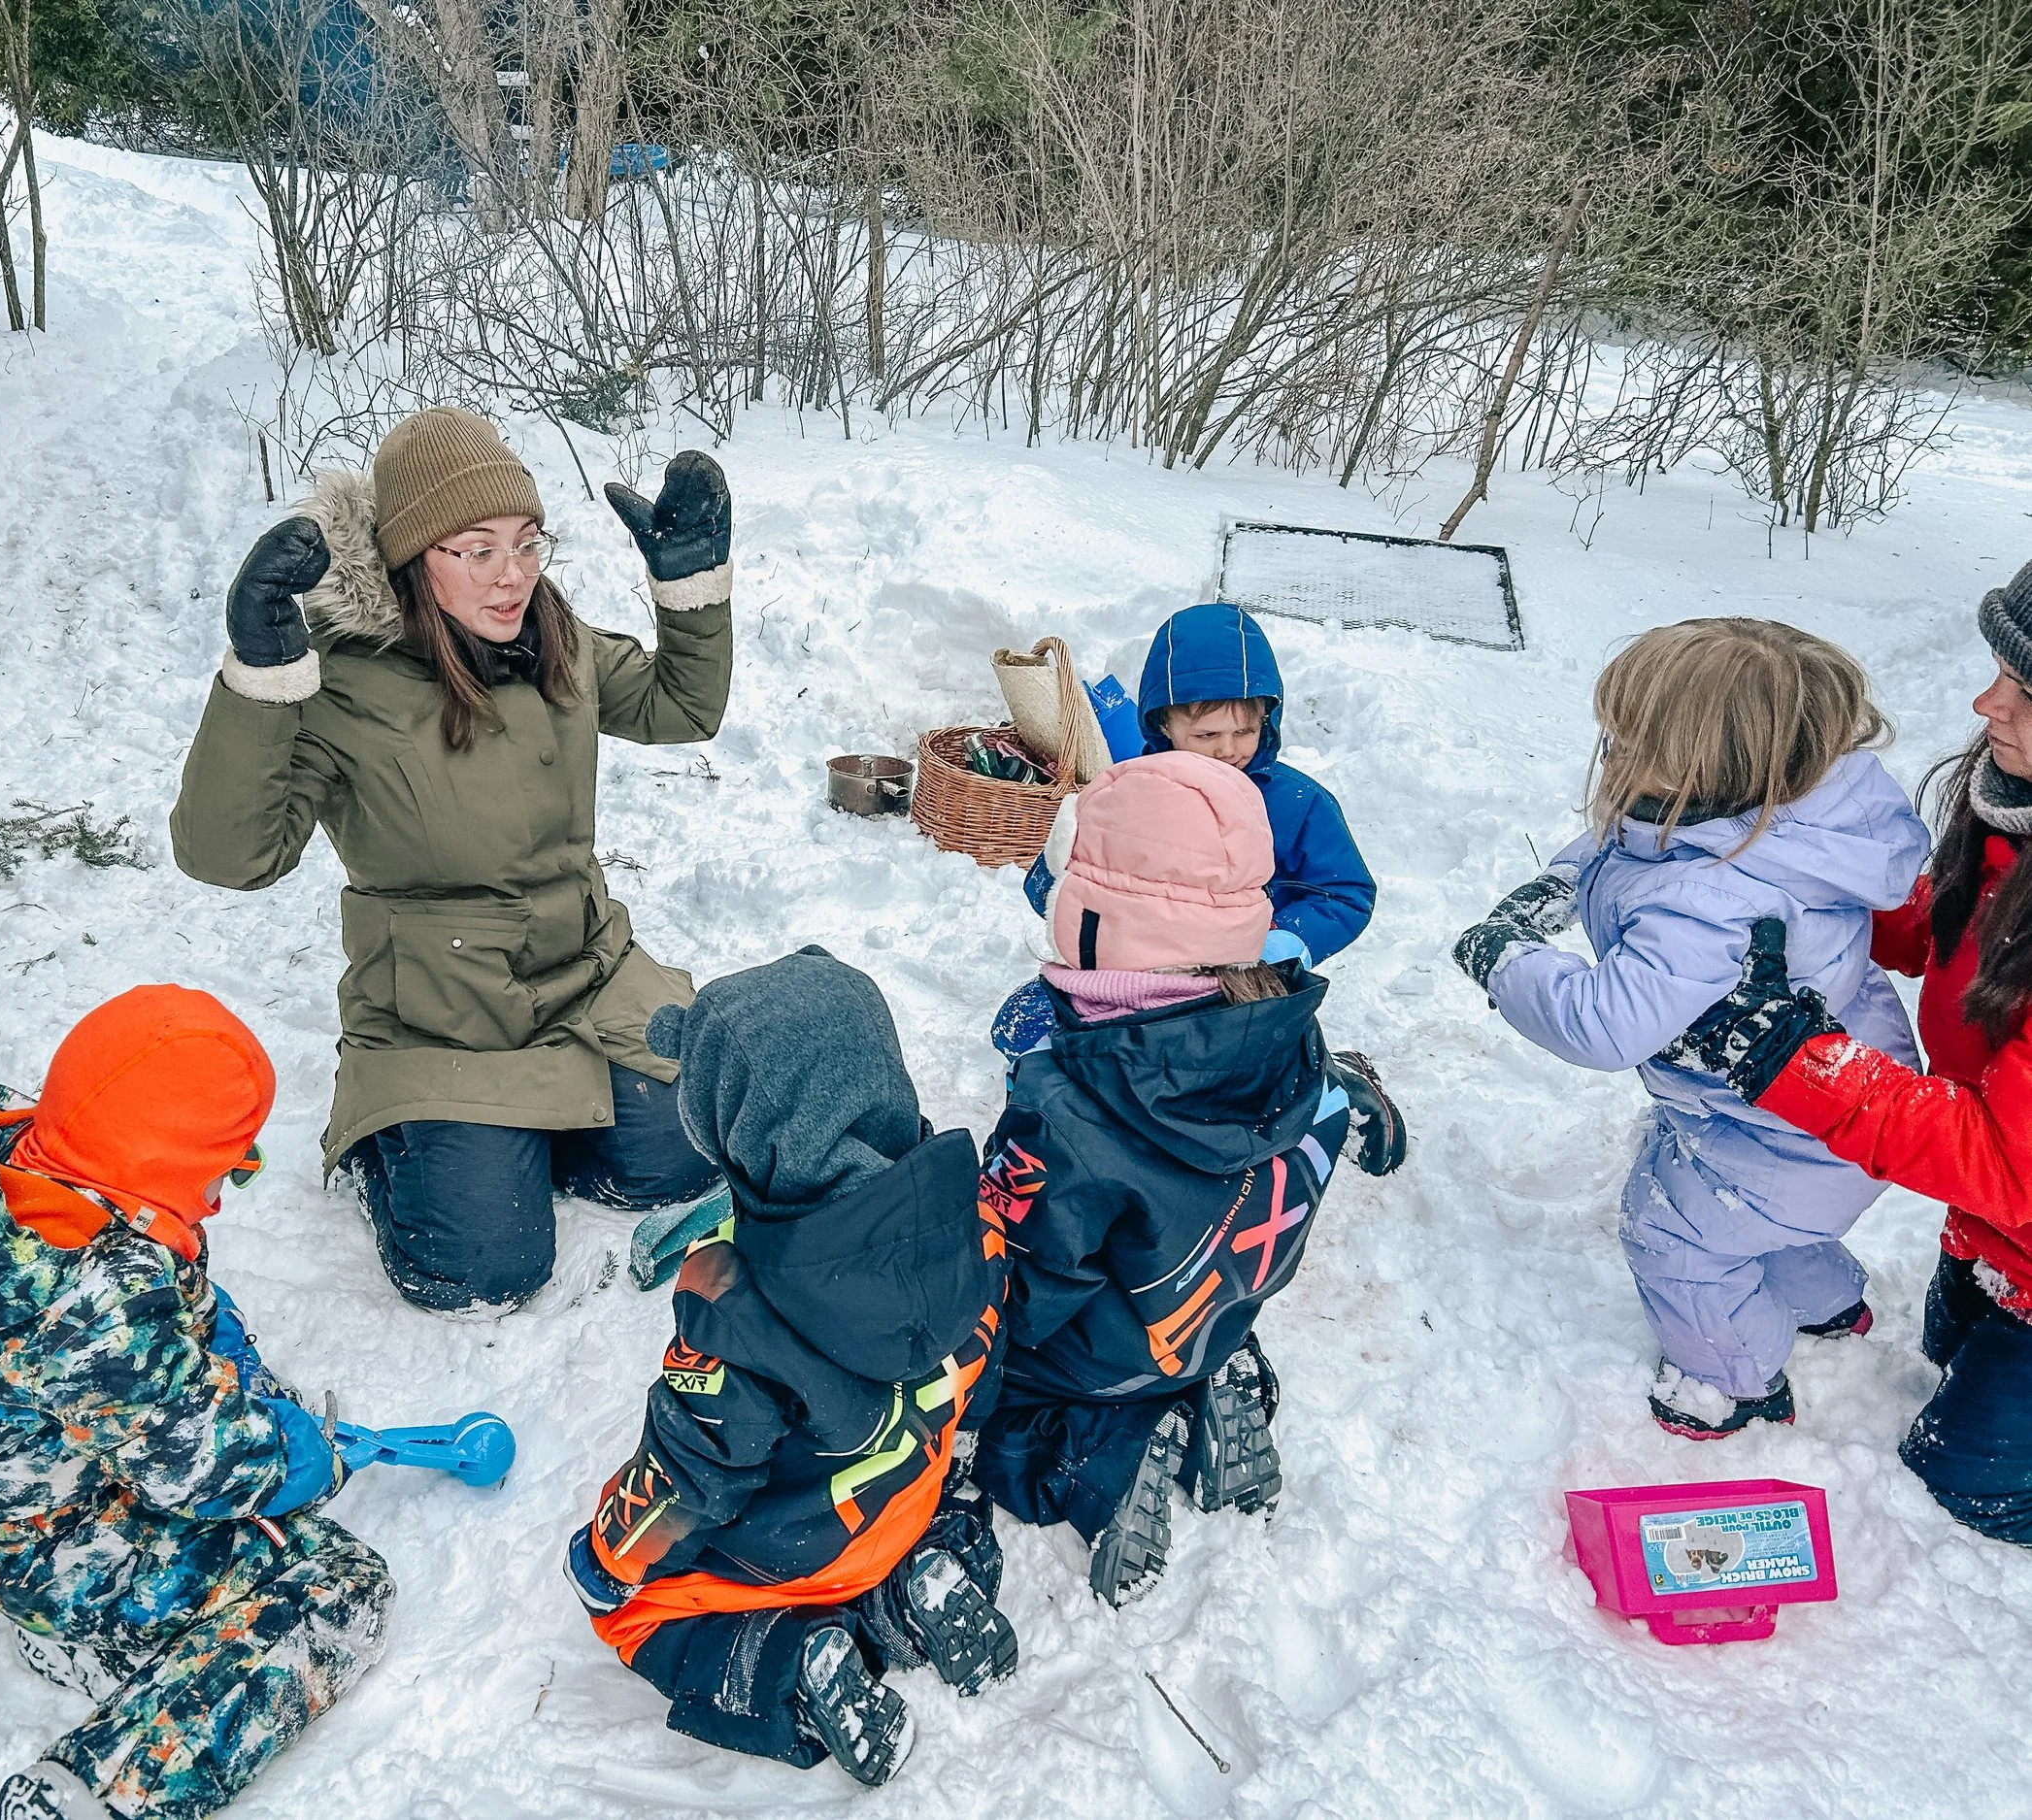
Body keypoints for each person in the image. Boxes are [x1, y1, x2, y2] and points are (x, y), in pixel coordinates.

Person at [171, 409, 733, 1310]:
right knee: (483, 1268)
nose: (512, 574)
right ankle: (398, 1145)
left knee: (686, 1154)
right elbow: (228, 856)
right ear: (409, 557)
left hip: (586, 977)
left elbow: (681, 707)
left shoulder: (559, 638)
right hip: (442, 1011)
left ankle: (524, 1130)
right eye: (475, 549)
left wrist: (688, 584)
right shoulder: (344, 679)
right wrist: (261, 675)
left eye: (525, 541)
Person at [0, 986, 392, 1820]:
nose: (218, 1196)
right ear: (160, 1164)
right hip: (59, 1548)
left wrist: (211, 1333)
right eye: (221, 1171)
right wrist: (300, 1457)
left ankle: (102, 1641)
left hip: (11, 1504)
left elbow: (141, 1289)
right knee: (333, 1585)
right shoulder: (102, 1305)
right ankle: (102, 1783)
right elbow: (202, 1471)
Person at [1451, 618, 1930, 1439]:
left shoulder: (1707, 904)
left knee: (1674, 1226)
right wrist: (1561, 881)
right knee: (1738, 1206)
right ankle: (1823, 1300)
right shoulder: (1780, 817)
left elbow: (1604, 1023)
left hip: (1788, 1135)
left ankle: (1730, 1377)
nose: (1608, 754)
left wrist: (1505, 961)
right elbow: (1624, 841)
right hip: (1830, 1110)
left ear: (1700, 769)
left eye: (1628, 742)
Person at [564, 949, 1013, 1788]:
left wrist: (608, 1554)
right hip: (906, 1499)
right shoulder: (973, 1225)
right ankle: (908, 1588)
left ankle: (791, 1662)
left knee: (636, 1619)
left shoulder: (730, 1303)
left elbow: (689, 1473)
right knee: (907, 1522)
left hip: (806, 1547)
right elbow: (984, 1373)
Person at [975, 753, 1400, 1605]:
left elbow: (1023, 1286)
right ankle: (1211, 1374)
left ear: (1091, 922)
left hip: (1110, 1351)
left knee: (998, 1424)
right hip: (1213, 1304)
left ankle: (1105, 1454)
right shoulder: (1291, 1041)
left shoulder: (1066, 1107)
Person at [1675, 563, 2032, 1539]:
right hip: (1998, 1235)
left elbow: (2007, 1159)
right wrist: (1797, 873)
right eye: (1999, 668)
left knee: (1965, 1491)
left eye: (2025, 692)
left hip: (2015, 1203)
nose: (1984, 702)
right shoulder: (2013, 811)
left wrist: (1798, 1060)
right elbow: (1933, 932)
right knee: (1948, 1344)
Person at [1022, 602, 1377, 966]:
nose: (1227, 750)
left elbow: (1345, 892)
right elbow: (1047, 885)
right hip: (1134, 969)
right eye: (1206, 734)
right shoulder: (1130, 792)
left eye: (1245, 731)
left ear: (1267, 722)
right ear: (1162, 725)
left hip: (1244, 980)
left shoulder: (1296, 803)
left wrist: (1286, 939)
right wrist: (1074, 889)